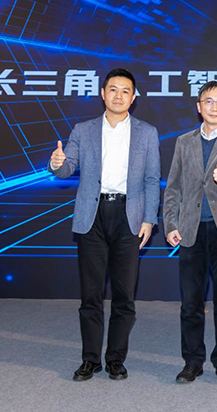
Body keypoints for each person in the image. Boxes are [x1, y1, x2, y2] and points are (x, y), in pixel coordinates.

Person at [49, 68, 160, 381]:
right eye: (113, 89)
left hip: (129, 216)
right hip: (92, 216)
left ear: (133, 98)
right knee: (91, 295)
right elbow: (67, 167)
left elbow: (152, 179)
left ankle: (115, 359)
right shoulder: (83, 130)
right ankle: (90, 359)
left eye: (125, 91)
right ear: (102, 93)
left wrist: (149, 219)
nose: (118, 96)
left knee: (124, 296)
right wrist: (57, 164)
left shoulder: (147, 132)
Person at [163, 81, 217, 384]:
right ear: (199, 106)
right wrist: (170, 223)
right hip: (190, 229)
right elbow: (173, 187)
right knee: (191, 301)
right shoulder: (183, 141)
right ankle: (192, 361)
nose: (214, 107)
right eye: (208, 101)